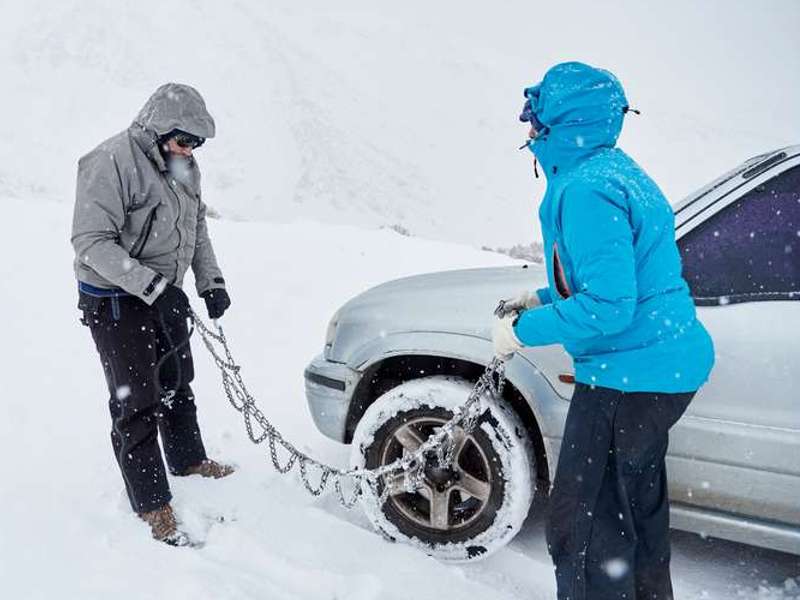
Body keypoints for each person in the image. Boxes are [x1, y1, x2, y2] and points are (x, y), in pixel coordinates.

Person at [492, 62, 715, 600]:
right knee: (635, 508)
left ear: (559, 123)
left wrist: (523, 329)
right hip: (660, 367)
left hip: (628, 376)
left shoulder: (586, 188)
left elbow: (610, 306)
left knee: (585, 526)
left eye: (535, 115)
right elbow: (619, 277)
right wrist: (541, 297)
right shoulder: (613, 168)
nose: (527, 127)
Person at [72, 83, 235, 546]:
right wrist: (152, 288)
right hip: (115, 300)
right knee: (136, 396)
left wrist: (211, 281)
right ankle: (151, 501)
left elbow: (196, 225)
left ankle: (188, 459)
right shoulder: (109, 162)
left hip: (166, 293)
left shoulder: (183, 165)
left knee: (177, 379)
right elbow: (91, 243)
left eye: (196, 144)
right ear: (159, 129)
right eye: (184, 141)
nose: (190, 151)